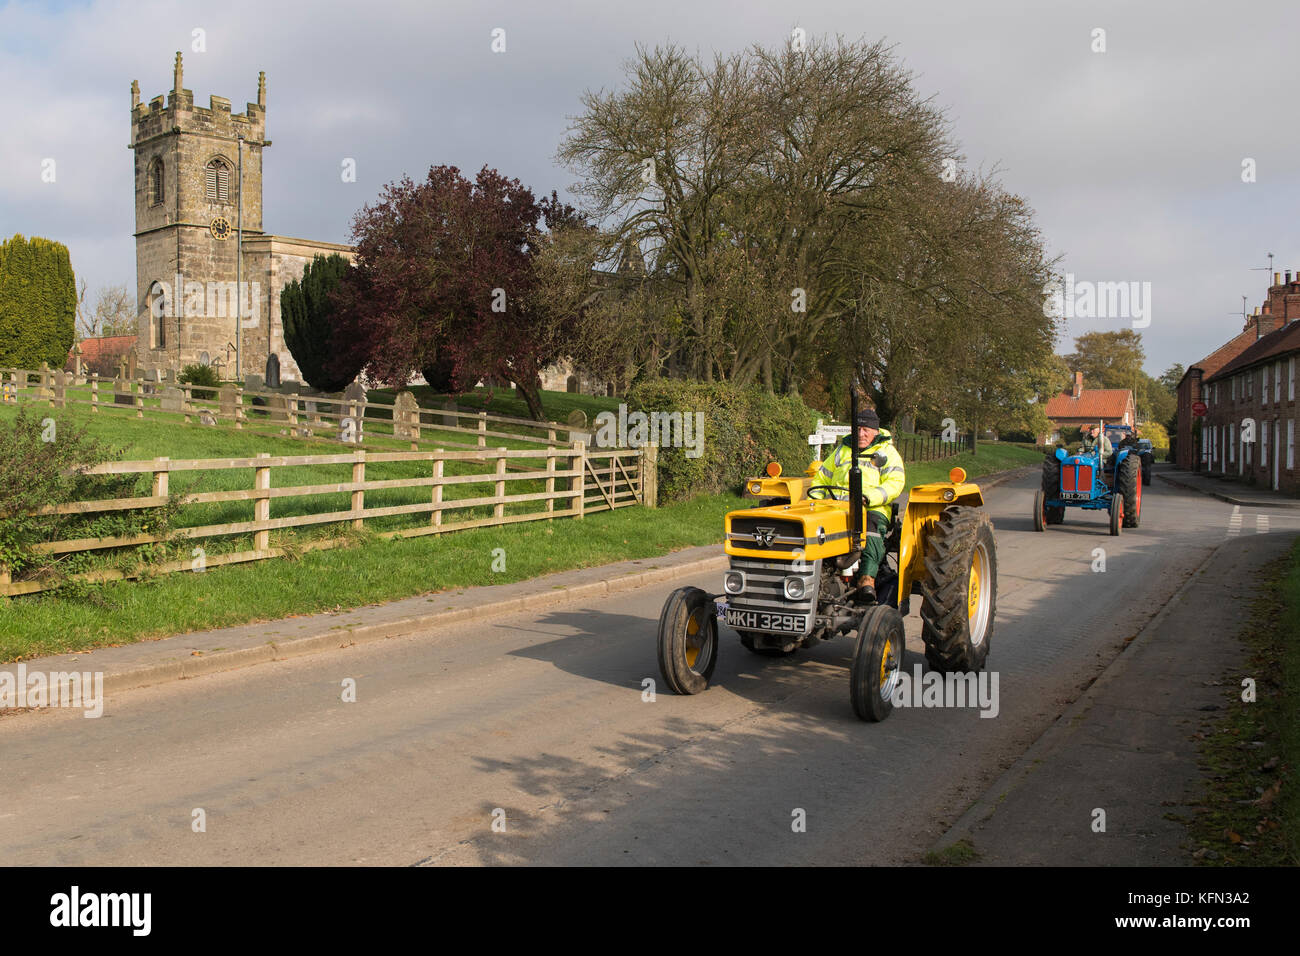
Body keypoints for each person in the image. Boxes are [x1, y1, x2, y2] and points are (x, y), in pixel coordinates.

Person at [809, 408, 905, 603]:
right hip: (835, 508)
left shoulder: (887, 453)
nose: (861, 434)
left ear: (876, 431)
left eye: (866, 430)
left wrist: (868, 497)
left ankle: (866, 578)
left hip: (871, 508)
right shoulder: (842, 450)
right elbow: (821, 476)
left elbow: (894, 484)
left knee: (868, 530)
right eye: (858, 429)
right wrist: (815, 503)